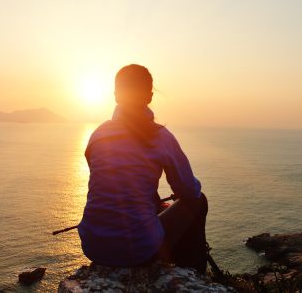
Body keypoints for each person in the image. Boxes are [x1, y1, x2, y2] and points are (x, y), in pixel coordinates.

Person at [78, 64, 209, 274]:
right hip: (139, 251)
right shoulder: (161, 137)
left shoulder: (97, 136)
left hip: (93, 246)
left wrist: (153, 202)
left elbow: (113, 184)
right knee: (199, 201)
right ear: (149, 96)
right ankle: (192, 272)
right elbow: (189, 191)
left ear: (115, 96)